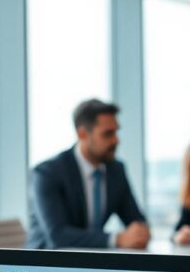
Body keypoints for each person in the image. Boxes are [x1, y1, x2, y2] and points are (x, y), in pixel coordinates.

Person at [28, 98, 150, 250]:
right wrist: (116, 238)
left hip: (92, 262)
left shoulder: (116, 170)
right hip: (46, 263)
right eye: (108, 134)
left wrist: (140, 232)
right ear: (83, 134)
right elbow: (58, 235)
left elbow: (135, 220)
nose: (116, 140)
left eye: (116, 131)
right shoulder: (47, 173)